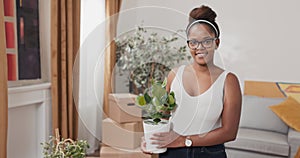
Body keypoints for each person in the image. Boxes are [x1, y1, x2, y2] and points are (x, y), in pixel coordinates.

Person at [141, 5, 242, 158]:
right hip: (172, 153)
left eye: (206, 41)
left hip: (209, 153)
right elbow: (163, 116)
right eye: (193, 42)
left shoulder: (228, 81)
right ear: (188, 44)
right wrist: (152, 138)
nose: (199, 47)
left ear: (217, 43)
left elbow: (229, 132)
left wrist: (184, 141)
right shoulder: (174, 75)